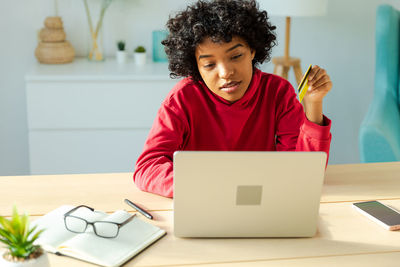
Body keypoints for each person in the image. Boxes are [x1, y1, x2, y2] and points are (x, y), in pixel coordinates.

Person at [133, 0, 332, 198]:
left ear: (252, 51)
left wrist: (314, 104)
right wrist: (201, 187)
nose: (226, 72)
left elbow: (304, 173)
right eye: (210, 64)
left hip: (260, 201)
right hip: (203, 199)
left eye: (236, 56)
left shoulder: (278, 92)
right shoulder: (183, 98)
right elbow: (147, 167)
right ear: (195, 67)